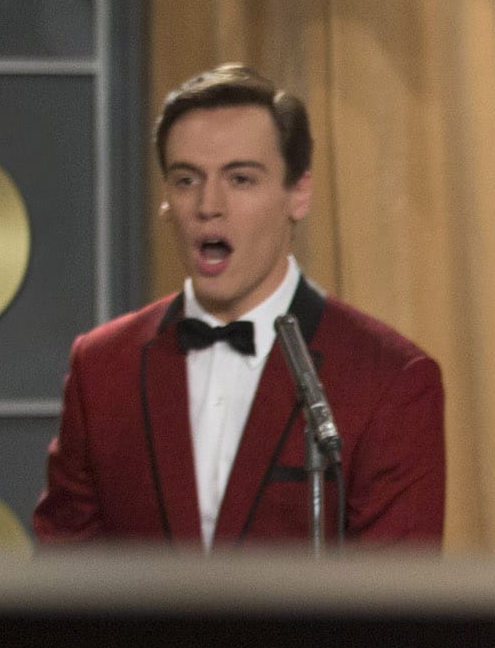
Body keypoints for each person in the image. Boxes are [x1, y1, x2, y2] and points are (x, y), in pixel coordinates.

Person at [34, 65, 443, 546]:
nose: (209, 205)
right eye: (186, 180)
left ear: (298, 194)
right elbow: (66, 577)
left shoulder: (390, 380)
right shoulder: (102, 368)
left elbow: (392, 606)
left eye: (241, 179)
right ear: (166, 197)